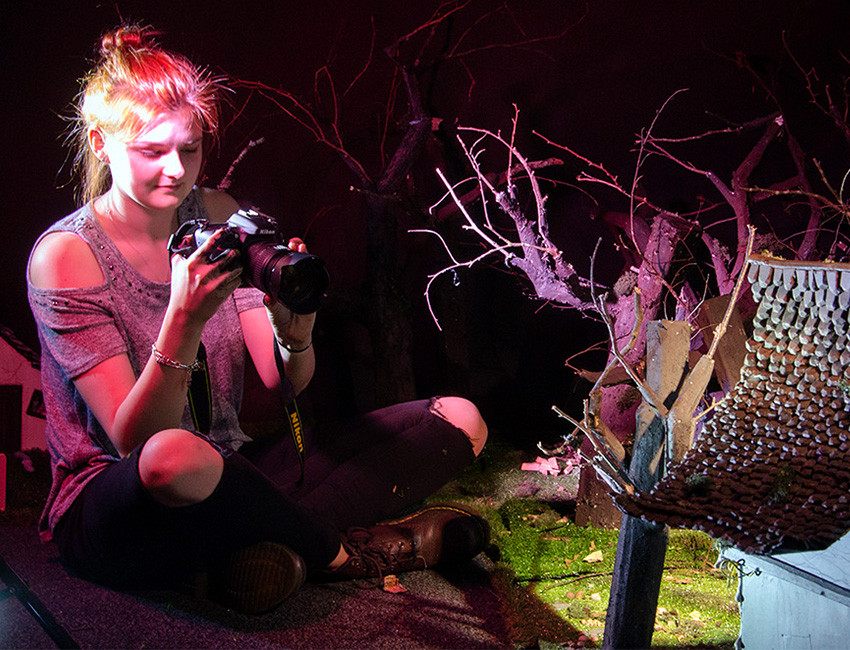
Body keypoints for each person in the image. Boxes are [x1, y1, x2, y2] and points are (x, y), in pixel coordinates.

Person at [27, 24, 489, 615]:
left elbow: (283, 384)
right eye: (151, 150)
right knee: (178, 457)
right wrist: (183, 317)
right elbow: (136, 440)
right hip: (120, 501)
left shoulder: (218, 215)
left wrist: (295, 335)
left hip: (234, 470)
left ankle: (257, 552)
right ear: (100, 144)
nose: (175, 168)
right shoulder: (67, 255)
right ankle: (343, 554)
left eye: (189, 148)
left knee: (459, 418)